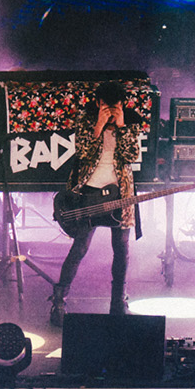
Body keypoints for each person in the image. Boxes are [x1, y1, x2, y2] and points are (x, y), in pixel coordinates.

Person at [51, 80, 147, 325]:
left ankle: (118, 301)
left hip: (120, 193)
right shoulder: (86, 119)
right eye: (106, 106)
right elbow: (83, 153)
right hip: (88, 191)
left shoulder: (131, 121)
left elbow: (131, 155)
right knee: (80, 247)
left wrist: (122, 126)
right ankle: (59, 300)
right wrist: (98, 126)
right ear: (97, 103)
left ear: (123, 104)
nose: (111, 110)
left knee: (121, 248)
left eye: (115, 106)